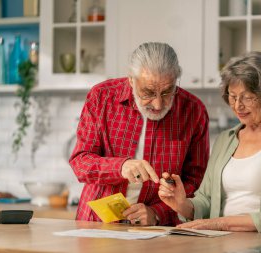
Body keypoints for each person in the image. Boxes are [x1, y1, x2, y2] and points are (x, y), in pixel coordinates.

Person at [158, 51, 261, 234]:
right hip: (224, 245)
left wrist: (220, 224)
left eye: (247, 97)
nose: (238, 106)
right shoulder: (224, 140)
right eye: (233, 96)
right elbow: (206, 201)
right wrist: (182, 204)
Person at [70, 42, 209, 226]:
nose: (158, 104)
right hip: (96, 224)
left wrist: (157, 213)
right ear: (131, 80)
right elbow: (80, 162)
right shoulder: (101, 97)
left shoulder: (193, 111)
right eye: (148, 93)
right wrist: (120, 167)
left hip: (156, 232)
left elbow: (196, 182)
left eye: (167, 92)